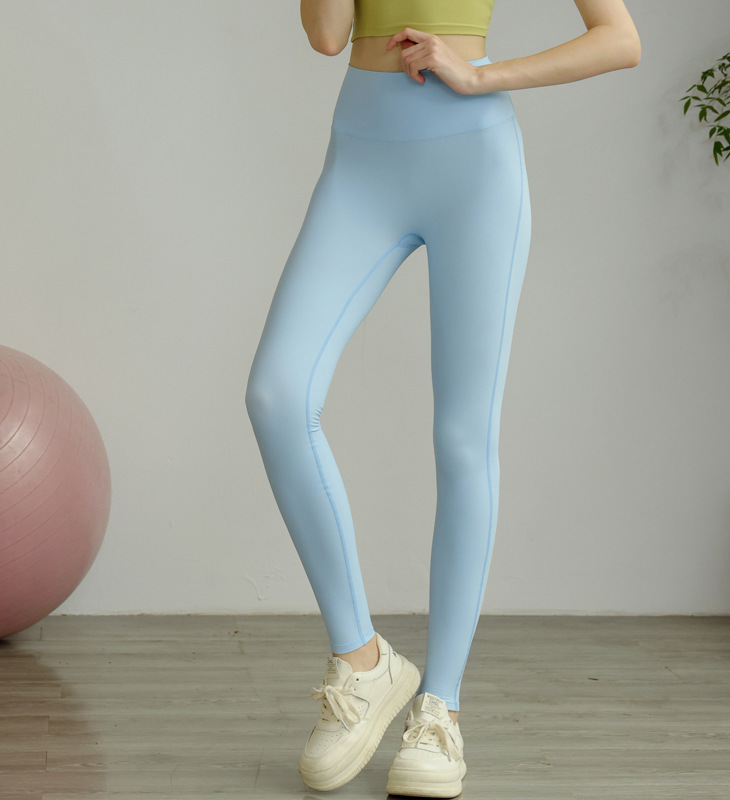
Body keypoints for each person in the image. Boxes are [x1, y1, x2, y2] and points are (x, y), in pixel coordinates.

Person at [246, 1, 641, 796]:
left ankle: (441, 709)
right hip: (362, 156)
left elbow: (620, 40)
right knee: (277, 395)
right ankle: (364, 663)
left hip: (474, 164)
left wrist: (484, 77)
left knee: (463, 437)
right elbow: (326, 35)